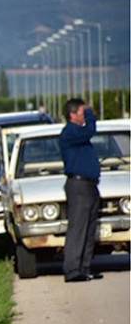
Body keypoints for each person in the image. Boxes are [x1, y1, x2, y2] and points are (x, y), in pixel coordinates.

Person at [59, 98, 102, 282]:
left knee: (90, 228)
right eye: (82, 112)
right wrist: (91, 114)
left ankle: (85, 267)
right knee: (78, 227)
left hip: (90, 185)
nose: (85, 115)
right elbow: (90, 130)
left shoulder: (79, 134)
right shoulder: (70, 132)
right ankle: (72, 269)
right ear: (72, 114)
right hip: (78, 185)